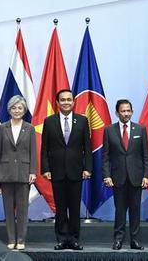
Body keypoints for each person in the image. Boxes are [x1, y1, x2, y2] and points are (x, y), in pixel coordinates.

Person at [41, 89, 92, 251]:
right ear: (57, 103)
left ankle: (74, 239)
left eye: (69, 99)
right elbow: (44, 149)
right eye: (62, 100)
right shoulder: (49, 121)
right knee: (61, 208)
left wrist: (88, 168)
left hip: (76, 171)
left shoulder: (82, 121)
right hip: (56, 171)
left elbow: (87, 148)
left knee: (75, 208)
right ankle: (62, 239)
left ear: (73, 102)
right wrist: (45, 169)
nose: (66, 102)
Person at [102, 99, 148, 250]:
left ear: (132, 111)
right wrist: (107, 175)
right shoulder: (109, 130)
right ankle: (118, 240)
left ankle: (135, 241)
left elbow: (146, 155)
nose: (126, 113)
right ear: (117, 113)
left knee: (136, 211)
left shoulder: (140, 129)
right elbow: (106, 156)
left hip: (136, 177)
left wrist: (146, 175)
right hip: (118, 178)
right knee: (120, 211)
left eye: (128, 110)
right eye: (123, 111)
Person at [0, 95, 37, 251]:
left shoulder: (30, 128)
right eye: (14, 108)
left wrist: (32, 171)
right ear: (9, 110)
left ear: (24, 110)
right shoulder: (2, 127)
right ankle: (11, 239)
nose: (17, 110)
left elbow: (33, 151)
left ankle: (21, 239)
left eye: (20, 108)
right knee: (8, 208)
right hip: (5, 173)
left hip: (24, 173)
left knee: (23, 209)